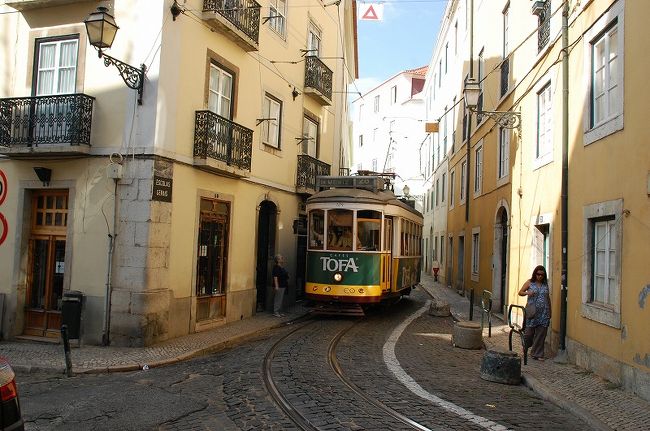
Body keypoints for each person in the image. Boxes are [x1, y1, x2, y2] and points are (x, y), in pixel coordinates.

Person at [518, 265, 551, 361]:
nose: (540, 276)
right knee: (528, 334)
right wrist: (527, 293)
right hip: (532, 312)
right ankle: (527, 345)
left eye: (542, 275)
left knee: (541, 334)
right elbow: (520, 292)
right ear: (535, 274)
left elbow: (547, 298)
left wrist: (550, 311)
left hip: (544, 312)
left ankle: (537, 354)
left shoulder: (545, 284)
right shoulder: (530, 282)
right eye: (538, 274)